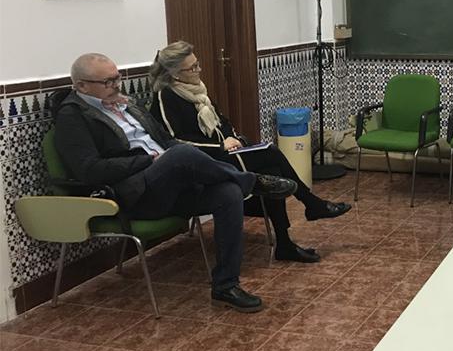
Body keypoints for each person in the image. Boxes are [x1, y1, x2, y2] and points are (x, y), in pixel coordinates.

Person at [54, 53, 296, 313]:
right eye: (108, 82)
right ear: (81, 86)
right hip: (134, 195)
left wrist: (167, 156)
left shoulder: (127, 105)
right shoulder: (72, 117)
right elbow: (90, 170)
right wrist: (150, 161)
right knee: (180, 154)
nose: (116, 86)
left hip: (170, 185)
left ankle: (226, 284)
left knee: (228, 192)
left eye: (117, 78)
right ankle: (254, 182)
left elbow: (166, 141)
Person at [148, 41, 351, 264]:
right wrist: (220, 146)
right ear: (175, 74)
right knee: (271, 151)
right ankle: (311, 204)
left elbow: (222, 122)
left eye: (198, 64)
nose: (199, 70)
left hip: (225, 153)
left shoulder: (199, 92)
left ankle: (285, 243)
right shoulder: (165, 97)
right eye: (192, 68)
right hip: (205, 162)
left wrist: (234, 138)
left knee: (272, 169)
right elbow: (175, 142)